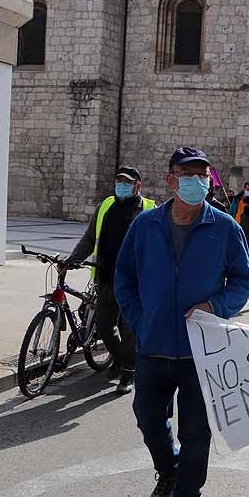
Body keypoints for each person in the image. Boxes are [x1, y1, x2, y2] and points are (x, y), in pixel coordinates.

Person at [114, 146, 249, 497]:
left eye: (202, 175)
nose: (197, 182)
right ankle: (168, 471)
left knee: (196, 431)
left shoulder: (225, 227)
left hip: (201, 352)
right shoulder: (145, 226)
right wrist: (140, 319)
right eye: (187, 174)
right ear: (171, 180)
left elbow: (244, 281)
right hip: (153, 345)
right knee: (148, 420)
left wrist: (216, 305)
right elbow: (123, 278)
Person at [64, 166, 155, 394]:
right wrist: (72, 259)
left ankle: (128, 374)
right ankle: (120, 358)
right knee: (104, 328)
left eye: (127, 182)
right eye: (119, 181)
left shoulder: (150, 210)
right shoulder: (105, 206)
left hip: (134, 284)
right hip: (105, 279)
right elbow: (88, 240)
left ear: (138, 186)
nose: (121, 185)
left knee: (129, 331)